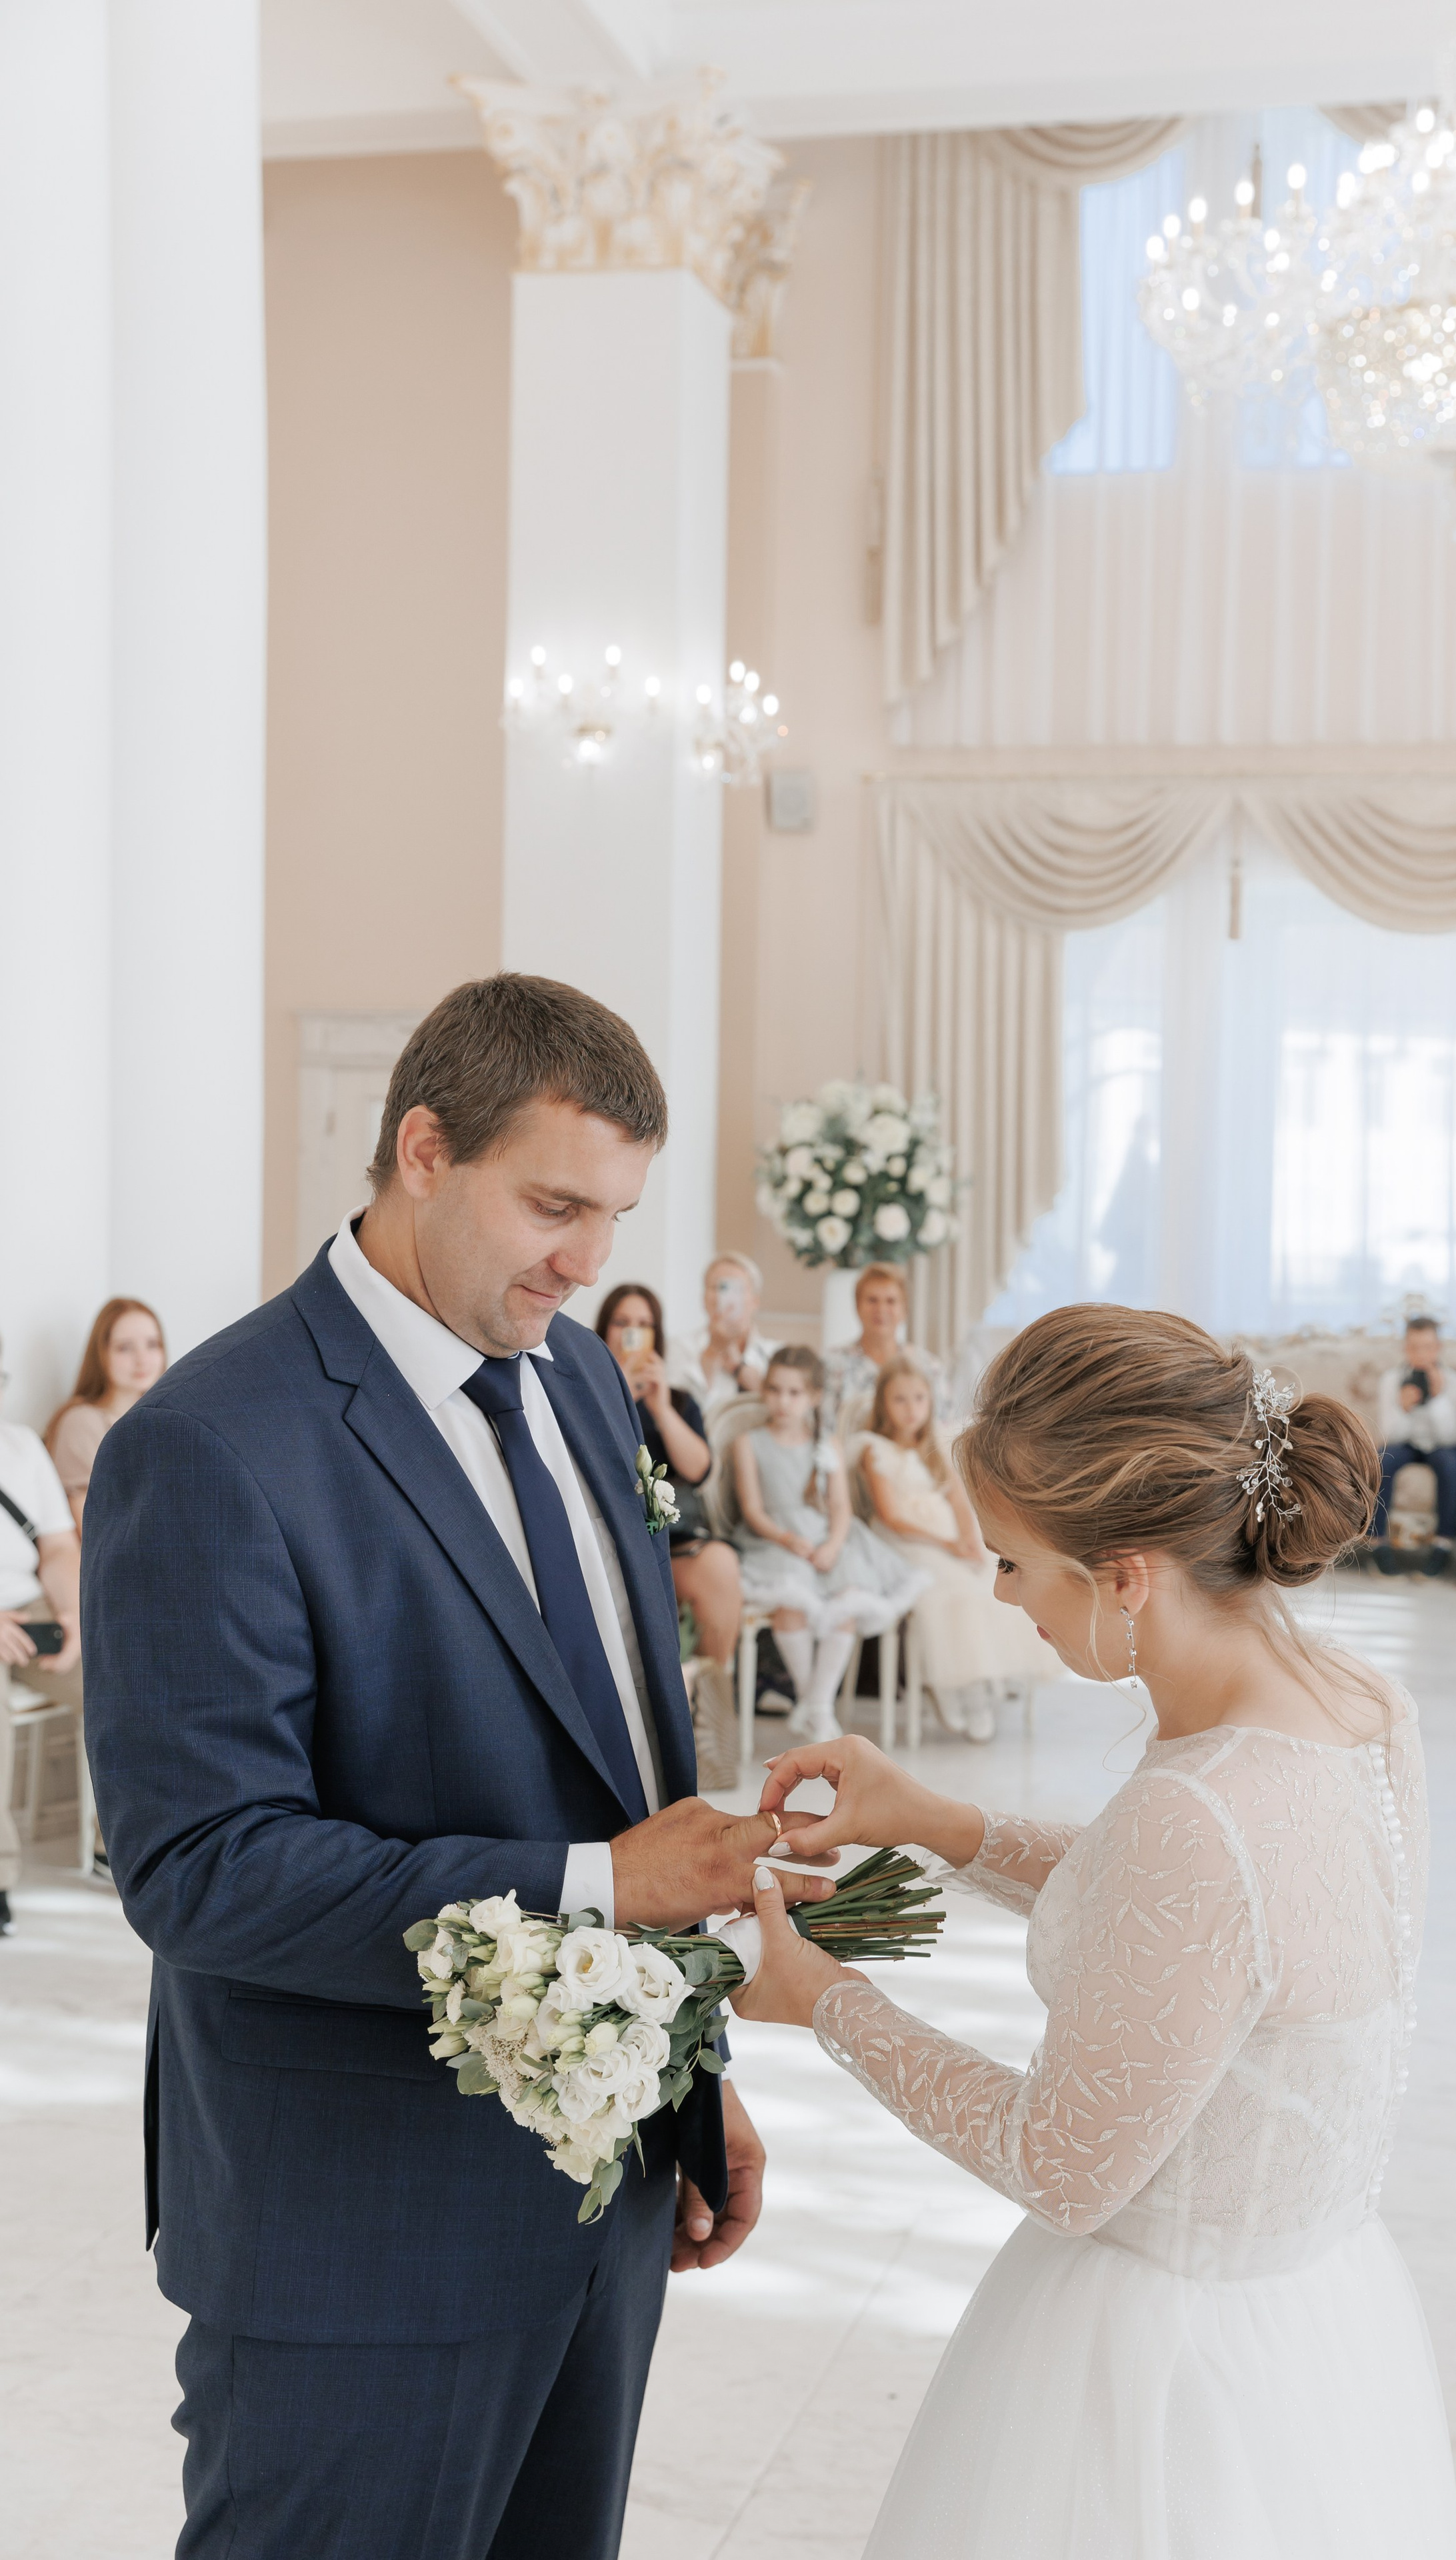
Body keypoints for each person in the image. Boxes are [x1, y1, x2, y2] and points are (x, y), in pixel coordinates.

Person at [81, 973, 837, 2560]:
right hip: (357, 2234)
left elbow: (604, 1743)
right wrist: (600, 1888)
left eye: (614, 1215)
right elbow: (200, 1866)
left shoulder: (569, 1375)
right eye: (552, 1203)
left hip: (600, 2198)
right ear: (422, 1148)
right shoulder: (210, 1442)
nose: (584, 1262)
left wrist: (684, 2073)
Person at [733, 1307, 1456, 2560]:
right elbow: (1199, 1939)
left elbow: (1062, 2165)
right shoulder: (1359, 1705)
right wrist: (936, 1820)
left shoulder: (1198, 1811)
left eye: (1014, 1563)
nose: (1000, 1592)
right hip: (1313, 2322)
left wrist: (824, 2001)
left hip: (1164, 2377)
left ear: (1126, 1574)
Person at [731, 1345, 929, 1745]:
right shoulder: (748, 1443)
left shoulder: (827, 1443)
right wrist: (790, 1540)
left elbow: (840, 1505)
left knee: (848, 1600)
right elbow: (753, 1510)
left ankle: (814, 1705)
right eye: (774, 1390)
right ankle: (818, 1707)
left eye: (794, 1393)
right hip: (777, 1542)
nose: (783, 1402)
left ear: (814, 1397)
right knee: (791, 1600)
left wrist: (834, 1545)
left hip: (829, 1539)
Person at [595, 1281, 741, 1783]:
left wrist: (658, 1406)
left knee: (721, 1563)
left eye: (643, 1324)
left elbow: (699, 1469)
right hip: (607, 1538)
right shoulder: (581, 1392)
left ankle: (706, 1713)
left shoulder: (677, 1398)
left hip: (670, 1536)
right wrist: (617, 1393)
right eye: (622, 1323)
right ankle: (673, 1703)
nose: (633, 1333)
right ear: (603, 1330)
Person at [856, 1353, 1045, 1743]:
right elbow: (891, 1516)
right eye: (900, 1400)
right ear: (883, 1405)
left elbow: (959, 1502)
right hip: (904, 1542)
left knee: (984, 1588)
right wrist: (946, 1544)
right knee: (944, 1591)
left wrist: (969, 1541)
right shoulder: (874, 1449)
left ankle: (976, 1689)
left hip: (947, 1539)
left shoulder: (937, 1447)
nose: (911, 1410)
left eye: (919, 1399)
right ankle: (948, 1686)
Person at [0, 1345, 84, 1937]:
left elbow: (56, 1546)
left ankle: (134, 1851)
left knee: (126, 1685)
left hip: (33, 1611)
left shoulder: (21, 1446)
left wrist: (73, 1614)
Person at [45, 1297, 167, 1533]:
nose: (142, 1359)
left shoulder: (164, 1422)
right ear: (101, 1354)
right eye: (125, 1348)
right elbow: (93, 1528)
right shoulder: (81, 1422)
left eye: (153, 1344)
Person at [1370, 1316, 1456, 1576]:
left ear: (1438, 1349)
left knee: (1450, 1463)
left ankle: (1444, 1543)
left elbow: (1451, 1436)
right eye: (1414, 1348)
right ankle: (1378, 1543)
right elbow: (1388, 1434)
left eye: (1428, 1347)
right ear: (1405, 1349)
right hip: (1405, 1443)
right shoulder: (1391, 1380)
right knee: (1383, 1459)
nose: (1421, 1355)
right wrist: (1403, 1408)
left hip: (1440, 1445)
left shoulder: (1454, 1381)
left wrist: (1437, 1399)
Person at [821, 1262, 951, 1435]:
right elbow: (823, 1431)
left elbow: (942, 1429)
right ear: (857, 1306)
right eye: (872, 1300)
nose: (881, 1309)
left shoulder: (930, 1366)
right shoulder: (832, 1364)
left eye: (891, 1301)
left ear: (904, 1309)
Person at [669, 1252, 778, 1420]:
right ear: (704, 1299)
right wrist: (713, 1351)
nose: (726, 1296)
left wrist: (738, 1368)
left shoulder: (775, 1354)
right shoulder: (679, 1348)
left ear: (755, 1301)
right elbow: (676, 1412)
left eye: (736, 1288)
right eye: (718, 1287)